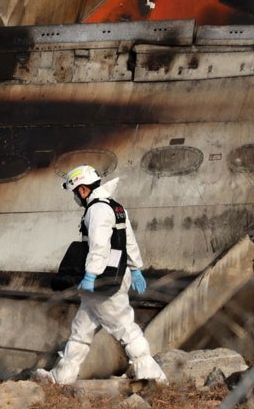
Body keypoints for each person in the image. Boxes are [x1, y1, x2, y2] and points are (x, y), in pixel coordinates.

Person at [43, 164, 167, 384]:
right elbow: (129, 240)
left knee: (125, 327)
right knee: (81, 331)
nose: (75, 197)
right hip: (117, 273)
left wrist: (91, 275)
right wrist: (136, 268)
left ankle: (152, 375)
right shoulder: (116, 207)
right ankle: (62, 376)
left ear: (83, 190)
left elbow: (99, 247)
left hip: (102, 280)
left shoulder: (96, 210)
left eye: (75, 192)